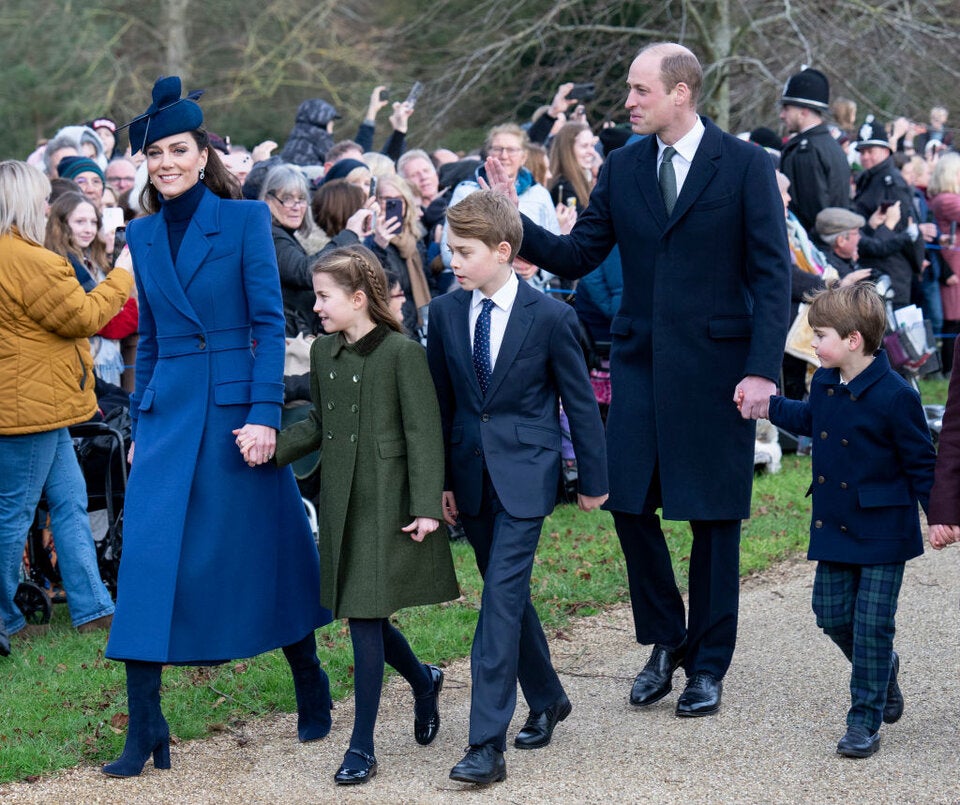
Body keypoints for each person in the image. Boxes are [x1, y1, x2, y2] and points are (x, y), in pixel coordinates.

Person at [489, 42, 791, 718]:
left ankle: (708, 665)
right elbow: (577, 252)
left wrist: (761, 370)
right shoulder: (625, 166)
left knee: (715, 521)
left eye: (639, 89)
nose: (628, 101)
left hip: (720, 374)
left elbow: (774, 280)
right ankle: (666, 637)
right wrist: (514, 220)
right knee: (627, 503)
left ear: (680, 92)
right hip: (640, 367)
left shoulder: (744, 166)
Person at [102, 76, 332, 778]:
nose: (166, 161)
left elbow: (267, 323)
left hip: (238, 418)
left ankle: (309, 676)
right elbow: (161, 340)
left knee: (272, 549)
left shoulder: (242, 223)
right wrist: (142, 421)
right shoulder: (139, 234)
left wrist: (265, 416)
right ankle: (146, 725)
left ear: (203, 154)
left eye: (179, 149)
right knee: (144, 560)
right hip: (169, 416)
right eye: (155, 153)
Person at [427, 191, 608, 785]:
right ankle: (550, 697)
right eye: (449, 249)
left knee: (497, 602)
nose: (452, 260)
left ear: (504, 251)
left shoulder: (552, 317)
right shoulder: (447, 313)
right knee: (509, 599)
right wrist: (443, 484)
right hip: (472, 481)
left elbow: (580, 405)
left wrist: (592, 480)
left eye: (464, 251)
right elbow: (444, 406)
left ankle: (486, 744)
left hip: (528, 478)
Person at [275, 244, 458, 785]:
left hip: (390, 499)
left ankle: (362, 745)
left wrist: (427, 507)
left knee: (366, 615)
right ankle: (424, 680)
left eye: (325, 296)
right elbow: (319, 425)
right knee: (362, 610)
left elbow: (425, 434)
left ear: (358, 299)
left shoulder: (402, 353)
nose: (316, 307)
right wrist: (271, 449)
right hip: (343, 501)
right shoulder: (324, 354)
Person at [756, 283, 935, 758]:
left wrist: (939, 515)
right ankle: (883, 667)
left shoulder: (897, 395)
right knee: (832, 616)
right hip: (834, 524)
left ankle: (864, 720)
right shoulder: (824, 381)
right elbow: (813, 419)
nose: (813, 344)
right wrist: (767, 406)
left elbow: (922, 462)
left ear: (853, 340)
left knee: (873, 625)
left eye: (820, 335)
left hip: (884, 529)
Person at [0, 160, 131, 642]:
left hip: (41, 403)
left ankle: (92, 605)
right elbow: (84, 316)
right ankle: (6, 616)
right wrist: (124, 270)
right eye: (39, 197)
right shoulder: (28, 259)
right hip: (27, 408)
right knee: (12, 514)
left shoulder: (18, 254)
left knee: (70, 502)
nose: (46, 205)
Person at [259, 163, 364, 337]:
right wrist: (350, 233)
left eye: (301, 199)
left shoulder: (282, 234)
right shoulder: (270, 236)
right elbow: (306, 271)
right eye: (286, 198)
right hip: (287, 339)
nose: (296, 206)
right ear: (268, 201)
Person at [44, 192, 136, 386]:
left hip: (109, 363)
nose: (89, 229)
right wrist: (131, 310)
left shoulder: (95, 260)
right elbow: (102, 321)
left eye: (93, 222)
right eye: (80, 222)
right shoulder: (58, 265)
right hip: (82, 366)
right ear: (60, 224)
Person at [852, 118, 924, 311]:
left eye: (870, 151)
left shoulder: (892, 183)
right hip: (875, 267)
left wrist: (916, 264)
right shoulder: (868, 179)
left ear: (885, 151)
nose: (865, 157)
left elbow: (904, 230)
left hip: (892, 271)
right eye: (862, 152)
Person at [778, 67, 851, 234]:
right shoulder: (828, 144)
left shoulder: (807, 150)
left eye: (787, 108)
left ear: (803, 112)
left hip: (814, 244)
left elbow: (811, 211)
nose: (782, 115)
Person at [926, 152, 960, 371]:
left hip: (952, 262)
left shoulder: (942, 199)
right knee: (953, 319)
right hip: (953, 264)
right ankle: (950, 368)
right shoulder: (948, 200)